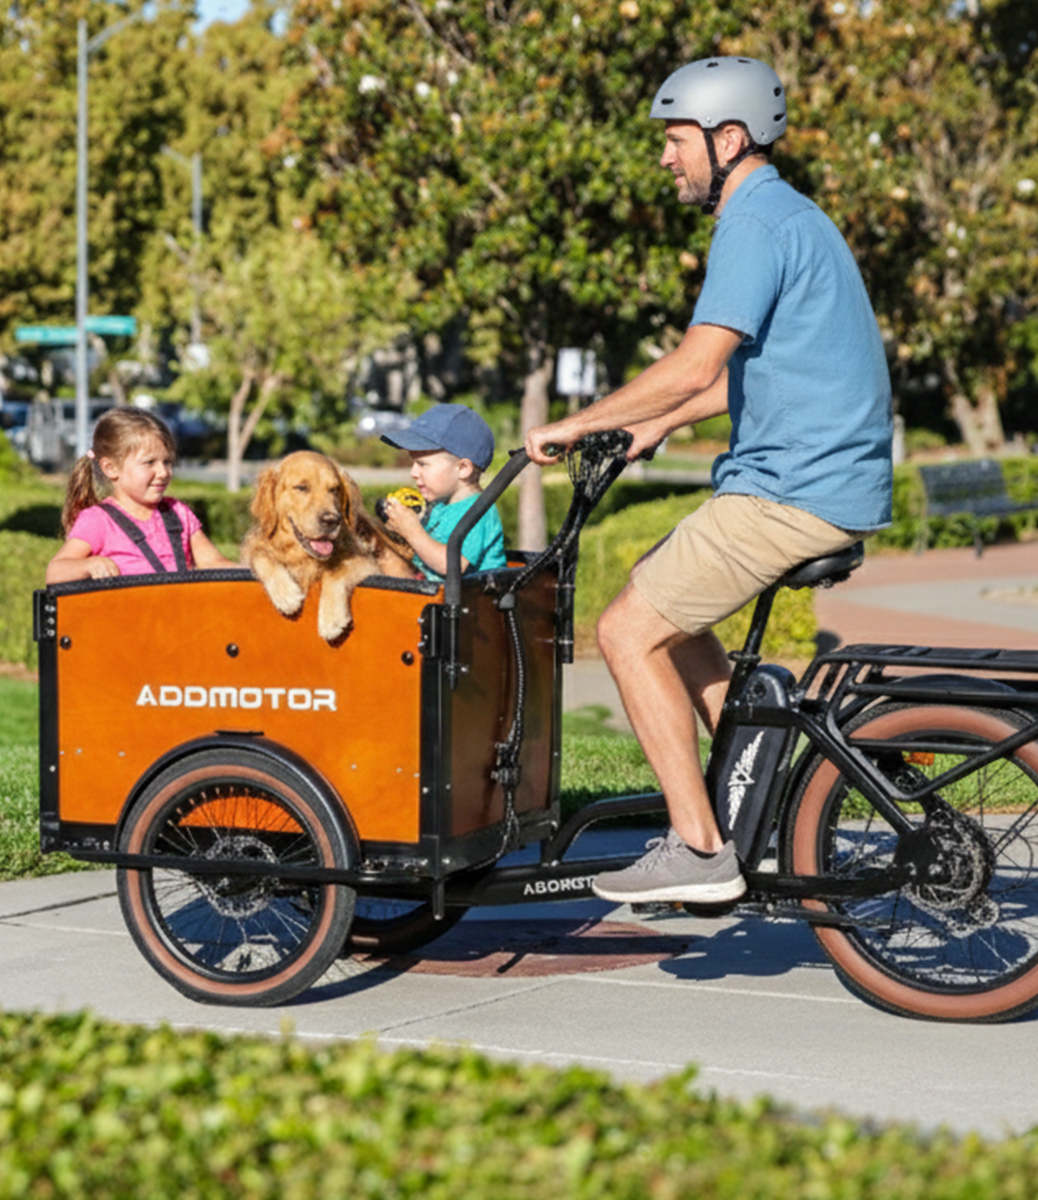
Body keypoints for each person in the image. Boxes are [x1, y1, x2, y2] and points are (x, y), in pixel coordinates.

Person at [524, 56, 893, 905]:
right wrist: (657, 424)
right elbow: (754, 374)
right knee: (665, 603)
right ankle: (757, 795)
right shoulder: (793, 215)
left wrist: (577, 423)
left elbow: (696, 364)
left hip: (793, 489)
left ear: (728, 140)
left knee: (624, 632)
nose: (666, 157)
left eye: (677, 139)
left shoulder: (752, 224)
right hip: (819, 479)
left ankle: (699, 850)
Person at [46, 407, 232, 584]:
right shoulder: (98, 520)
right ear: (111, 468)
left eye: (167, 462)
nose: (163, 472)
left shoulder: (178, 512)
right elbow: (55, 572)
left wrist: (248, 570)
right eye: (149, 462)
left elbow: (213, 563)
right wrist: (88, 565)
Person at [380, 403, 508, 579]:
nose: (413, 472)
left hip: (475, 596)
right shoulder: (439, 506)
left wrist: (412, 531)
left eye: (422, 464)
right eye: (414, 463)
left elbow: (452, 565)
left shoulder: (479, 512)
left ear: (463, 469)